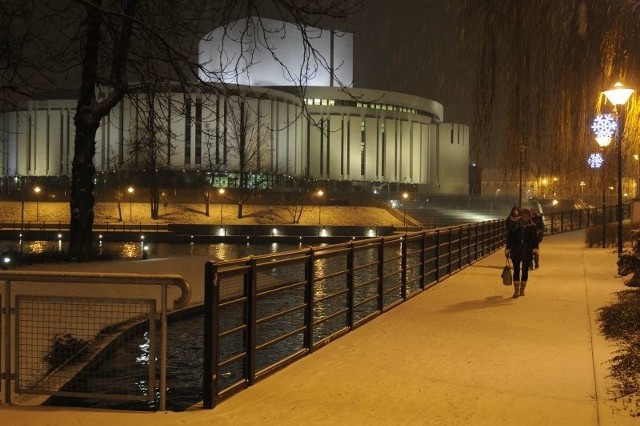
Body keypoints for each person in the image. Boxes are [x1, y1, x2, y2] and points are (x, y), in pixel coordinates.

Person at [505, 208, 539, 298]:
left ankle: (522, 290)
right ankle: (516, 290)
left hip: (527, 251)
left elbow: (535, 240)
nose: (524, 217)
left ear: (529, 216)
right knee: (516, 270)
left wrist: (535, 250)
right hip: (516, 250)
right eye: (523, 215)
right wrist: (508, 249)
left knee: (524, 271)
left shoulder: (532, 226)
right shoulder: (516, 225)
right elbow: (510, 238)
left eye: (526, 215)